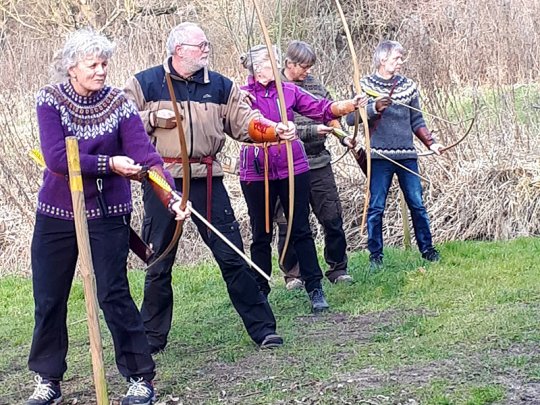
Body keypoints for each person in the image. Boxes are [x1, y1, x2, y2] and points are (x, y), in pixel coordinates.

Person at [27, 29, 190, 405]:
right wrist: (109, 164)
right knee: (49, 297)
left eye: (104, 64)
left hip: (107, 213)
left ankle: (139, 378)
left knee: (114, 293)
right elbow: (56, 158)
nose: (101, 71)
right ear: (71, 67)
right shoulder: (49, 100)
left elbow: (147, 158)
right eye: (92, 64)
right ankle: (47, 379)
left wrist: (171, 198)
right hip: (57, 212)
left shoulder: (118, 103)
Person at [123, 22, 286, 354]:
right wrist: (153, 121)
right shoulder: (144, 82)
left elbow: (246, 123)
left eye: (207, 44)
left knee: (233, 256)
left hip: (208, 182)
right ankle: (151, 339)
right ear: (179, 50)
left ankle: (263, 329)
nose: (207, 49)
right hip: (161, 181)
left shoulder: (221, 85)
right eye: (202, 45)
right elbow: (121, 124)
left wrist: (272, 131)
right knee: (160, 261)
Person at [239, 45, 367, 312]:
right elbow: (241, 124)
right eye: (270, 63)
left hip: (292, 166)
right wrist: (274, 130)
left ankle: (315, 288)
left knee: (301, 229)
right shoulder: (241, 96)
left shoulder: (289, 90)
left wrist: (349, 105)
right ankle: (260, 292)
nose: (276, 68)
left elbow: (321, 108)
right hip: (256, 170)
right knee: (261, 234)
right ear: (257, 67)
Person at [347, 40, 443, 269]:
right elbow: (351, 120)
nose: (400, 62)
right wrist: (373, 108)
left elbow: (417, 120)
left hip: (407, 155)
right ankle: (375, 257)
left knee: (417, 204)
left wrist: (431, 143)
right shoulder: (364, 85)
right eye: (396, 58)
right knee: (376, 207)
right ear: (382, 59)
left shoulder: (408, 86)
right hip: (379, 158)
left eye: (401, 58)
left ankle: (428, 250)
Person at [274, 40, 356, 290]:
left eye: (310, 66)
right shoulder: (275, 87)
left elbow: (330, 114)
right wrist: (311, 130)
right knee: (288, 222)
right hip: (287, 164)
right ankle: (294, 274)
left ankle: (338, 268)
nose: (307, 71)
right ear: (289, 64)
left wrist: (344, 137)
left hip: (318, 162)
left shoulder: (314, 85)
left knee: (331, 216)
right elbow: (275, 128)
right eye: (303, 67)